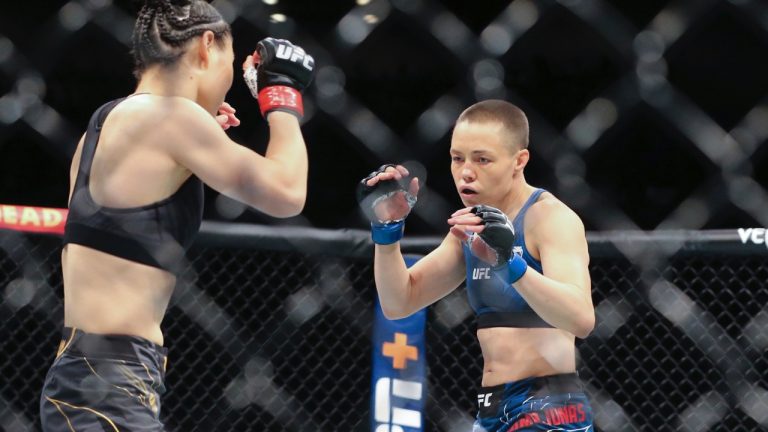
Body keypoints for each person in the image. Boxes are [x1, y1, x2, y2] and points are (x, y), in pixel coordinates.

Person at [39, 0, 315, 430]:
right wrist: (281, 98)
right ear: (206, 47)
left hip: (92, 376)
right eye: (228, 58)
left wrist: (200, 135)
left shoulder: (104, 121)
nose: (229, 84)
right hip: (109, 380)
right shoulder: (172, 117)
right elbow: (287, 194)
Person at [358, 100, 595, 431]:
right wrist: (387, 233)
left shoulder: (550, 218)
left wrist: (510, 265)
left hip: (547, 409)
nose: (466, 171)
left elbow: (581, 319)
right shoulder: (469, 230)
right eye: (458, 158)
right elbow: (399, 302)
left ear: (519, 161)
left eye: (482, 159)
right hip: (491, 411)